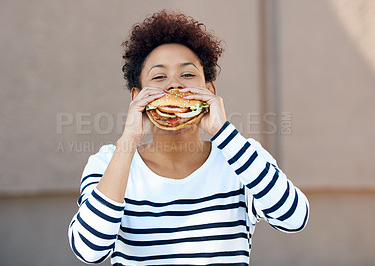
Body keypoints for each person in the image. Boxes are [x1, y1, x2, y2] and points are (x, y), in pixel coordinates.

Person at [68, 10, 309, 265]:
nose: (174, 85)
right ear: (136, 97)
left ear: (209, 90)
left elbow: (294, 218)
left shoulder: (242, 157)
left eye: (188, 74)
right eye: (159, 77)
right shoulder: (109, 163)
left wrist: (222, 132)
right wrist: (128, 141)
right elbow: (89, 250)